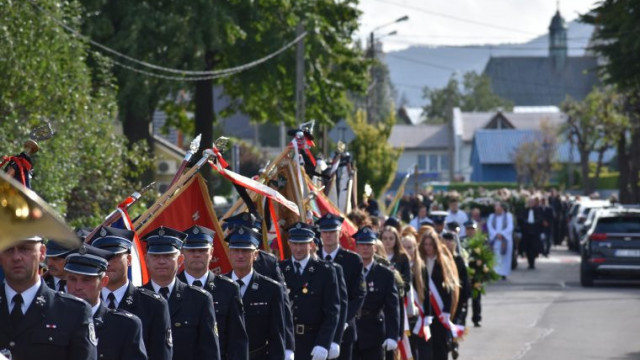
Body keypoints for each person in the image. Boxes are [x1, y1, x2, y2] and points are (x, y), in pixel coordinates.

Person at [0, 236, 97, 360]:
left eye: (25, 249)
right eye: (8, 250)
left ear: (42, 252)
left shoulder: (74, 311)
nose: (16, 257)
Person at [91, 226, 173, 360]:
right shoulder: (85, 303)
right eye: (101, 256)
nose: (107, 263)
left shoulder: (153, 305)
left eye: (114, 256)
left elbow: (161, 355)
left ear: (129, 259)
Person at [141, 226, 221, 360]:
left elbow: (210, 353)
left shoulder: (200, 299)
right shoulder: (135, 299)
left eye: (168, 256)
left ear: (180, 260)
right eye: (155, 256)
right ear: (147, 260)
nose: (161, 261)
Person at [178, 225, 248, 360]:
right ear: (182, 253)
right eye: (191, 250)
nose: (197, 254)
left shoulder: (229, 289)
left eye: (203, 250)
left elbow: (237, 340)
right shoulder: (170, 289)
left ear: (211, 253)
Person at [64, 245, 147, 360]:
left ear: (104, 281)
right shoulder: (50, 317)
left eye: (86, 280)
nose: (78, 287)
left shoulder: (124, 326)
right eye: (72, 279)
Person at [280, 222, 340, 360]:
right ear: (289, 243)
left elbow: (332, 312)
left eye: (302, 244)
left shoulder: (325, 272)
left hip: (313, 341)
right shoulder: (280, 269)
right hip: (286, 342)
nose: (298, 248)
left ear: (311, 245)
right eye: (295, 244)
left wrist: (323, 343)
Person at [226, 225, 287, 360]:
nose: (240, 255)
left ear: (256, 255)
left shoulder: (271, 289)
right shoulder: (217, 287)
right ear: (229, 253)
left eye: (246, 251)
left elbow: (277, 336)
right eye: (236, 250)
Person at [316, 213, 366, 360]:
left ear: (340, 233)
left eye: (332, 231)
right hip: (317, 327)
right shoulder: (313, 257)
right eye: (325, 232)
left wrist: (342, 320)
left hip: (344, 329)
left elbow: (359, 294)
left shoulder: (352, 260)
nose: (328, 235)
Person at [352, 227, 400, 360]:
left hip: (375, 333)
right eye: (362, 245)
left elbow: (392, 307)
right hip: (351, 332)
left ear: (375, 248)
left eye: (369, 245)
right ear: (356, 248)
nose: (365, 248)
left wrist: (392, 336)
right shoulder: (348, 271)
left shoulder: (385, 274)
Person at [419, 231, 459, 360]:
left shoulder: (443, 261)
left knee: (440, 345)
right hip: (425, 310)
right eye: (425, 244)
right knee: (425, 346)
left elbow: (449, 287)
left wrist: (447, 311)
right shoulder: (420, 262)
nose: (428, 247)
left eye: (431, 244)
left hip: (440, 310)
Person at [401, 234, 431, 360]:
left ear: (415, 248)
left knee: (417, 349)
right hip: (403, 313)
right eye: (404, 247)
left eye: (410, 247)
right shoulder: (399, 264)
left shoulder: (421, 266)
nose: (407, 250)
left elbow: (427, 292)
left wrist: (428, 316)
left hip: (417, 314)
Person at [441, 232, 470, 360]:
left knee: (457, 322)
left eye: (450, 241)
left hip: (458, 298)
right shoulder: (439, 260)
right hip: (443, 298)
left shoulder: (459, 260)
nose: (447, 243)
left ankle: (454, 344)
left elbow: (465, 280)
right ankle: (448, 344)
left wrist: (464, 299)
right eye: (445, 240)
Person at [487, 202, 514, 278]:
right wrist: (496, 234)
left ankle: (504, 273)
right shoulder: (492, 216)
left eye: (499, 208)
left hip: (505, 240)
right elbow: (489, 226)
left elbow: (510, 227)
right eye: (496, 208)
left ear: (502, 208)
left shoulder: (508, 216)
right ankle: (495, 272)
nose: (497, 210)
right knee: (495, 256)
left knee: (505, 257)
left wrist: (502, 234)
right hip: (495, 240)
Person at [518, 198, 542, 269]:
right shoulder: (525, 211)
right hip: (527, 232)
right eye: (529, 202)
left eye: (532, 202)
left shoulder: (538, 210)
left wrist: (535, 222)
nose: (531, 204)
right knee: (528, 248)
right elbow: (521, 219)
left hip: (535, 232)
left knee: (534, 248)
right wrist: (525, 222)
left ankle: (533, 261)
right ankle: (530, 263)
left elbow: (540, 219)